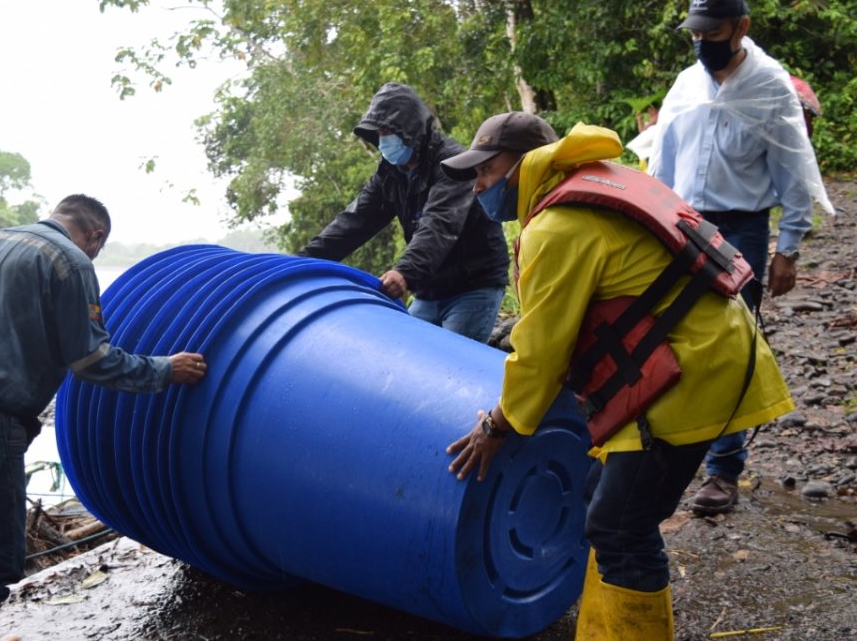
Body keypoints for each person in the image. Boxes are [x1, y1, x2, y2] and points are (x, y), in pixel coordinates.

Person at [441, 112, 794, 638]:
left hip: (688, 374)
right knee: (601, 500)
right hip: (713, 353)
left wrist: (497, 426)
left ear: (520, 164)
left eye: (487, 171)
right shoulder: (595, 182)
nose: (480, 186)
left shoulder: (556, 226)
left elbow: (541, 357)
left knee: (620, 528)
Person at [0, 194, 208, 641]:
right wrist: (165, 369)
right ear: (95, 236)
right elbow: (92, 361)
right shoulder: (71, 262)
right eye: (97, 247)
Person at [650, 0, 834, 516]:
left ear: (741, 28)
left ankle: (723, 472)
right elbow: (661, 163)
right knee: (669, 335)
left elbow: (793, 172)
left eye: (712, 33)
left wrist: (789, 247)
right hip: (680, 223)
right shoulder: (686, 84)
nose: (702, 41)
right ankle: (668, 450)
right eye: (696, 33)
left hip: (741, 228)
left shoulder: (771, 87)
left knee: (732, 346)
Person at [297, 82, 510, 343]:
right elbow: (354, 221)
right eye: (379, 133)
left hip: (473, 285)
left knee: (450, 366)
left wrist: (404, 272)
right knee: (409, 354)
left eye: (389, 131)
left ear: (410, 129)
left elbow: (439, 226)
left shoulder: (453, 165)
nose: (383, 140)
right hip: (429, 289)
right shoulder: (390, 173)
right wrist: (302, 261)